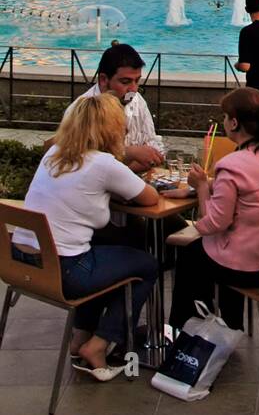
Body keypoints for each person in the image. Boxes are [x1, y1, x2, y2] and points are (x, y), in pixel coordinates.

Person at [11, 93, 159, 378]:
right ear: (111, 127)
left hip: (22, 263)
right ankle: (100, 343)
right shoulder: (103, 164)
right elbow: (150, 197)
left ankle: (81, 336)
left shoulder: (53, 154)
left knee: (101, 250)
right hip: (64, 271)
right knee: (146, 264)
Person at [169, 88, 259, 331]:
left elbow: (213, 223)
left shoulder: (231, 165)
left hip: (257, 266)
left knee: (193, 256)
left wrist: (200, 188)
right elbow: (253, 185)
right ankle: (230, 326)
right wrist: (203, 186)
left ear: (234, 122)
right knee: (226, 249)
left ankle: (182, 332)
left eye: (224, 117)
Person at [80, 43, 165, 174]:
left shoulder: (136, 99)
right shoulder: (82, 111)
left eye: (137, 81)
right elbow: (81, 163)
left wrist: (123, 174)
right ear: (103, 80)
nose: (133, 89)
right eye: (125, 82)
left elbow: (155, 150)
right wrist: (127, 154)